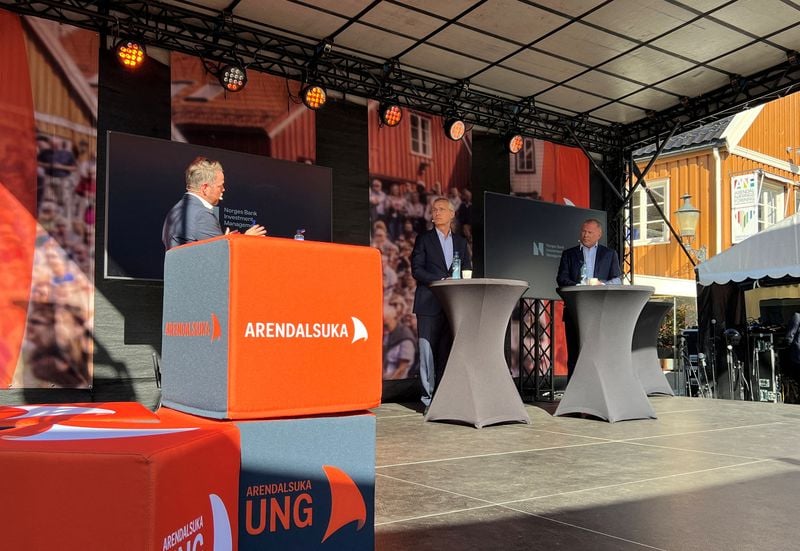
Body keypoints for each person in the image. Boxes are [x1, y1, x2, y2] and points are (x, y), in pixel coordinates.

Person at [411, 196, 472, 409]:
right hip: (428, 303)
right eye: (434, 210)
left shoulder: (461, 242)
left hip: (452, 305)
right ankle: (427, 400)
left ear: (451, 214)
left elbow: (467, 268)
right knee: (427, 352)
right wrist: (440, 281)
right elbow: (417, 270)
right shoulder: (424, 239)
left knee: (447, 352)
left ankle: (443, 398)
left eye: (441, 209)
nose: (436, 213)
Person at [556, 218, 622, 380]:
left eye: (590, 232)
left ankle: (599, 386)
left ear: (599, 234)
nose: (585, 235)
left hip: (600, 311)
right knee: (575, 353)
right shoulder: (569, 254)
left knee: (598, 352)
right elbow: (561, 279)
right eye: (583, 231)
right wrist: (581, 285)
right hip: (575, 310)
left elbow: (617, 280)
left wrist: (601, 284)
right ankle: (574, 389)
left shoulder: (609, 254)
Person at [162, 157, 266, 250]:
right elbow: (220, 257)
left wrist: (226, 240)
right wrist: (245, 239)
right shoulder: (202, 215)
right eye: (220, 186)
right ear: (205, 188)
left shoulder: (175, 211)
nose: (223, 189)